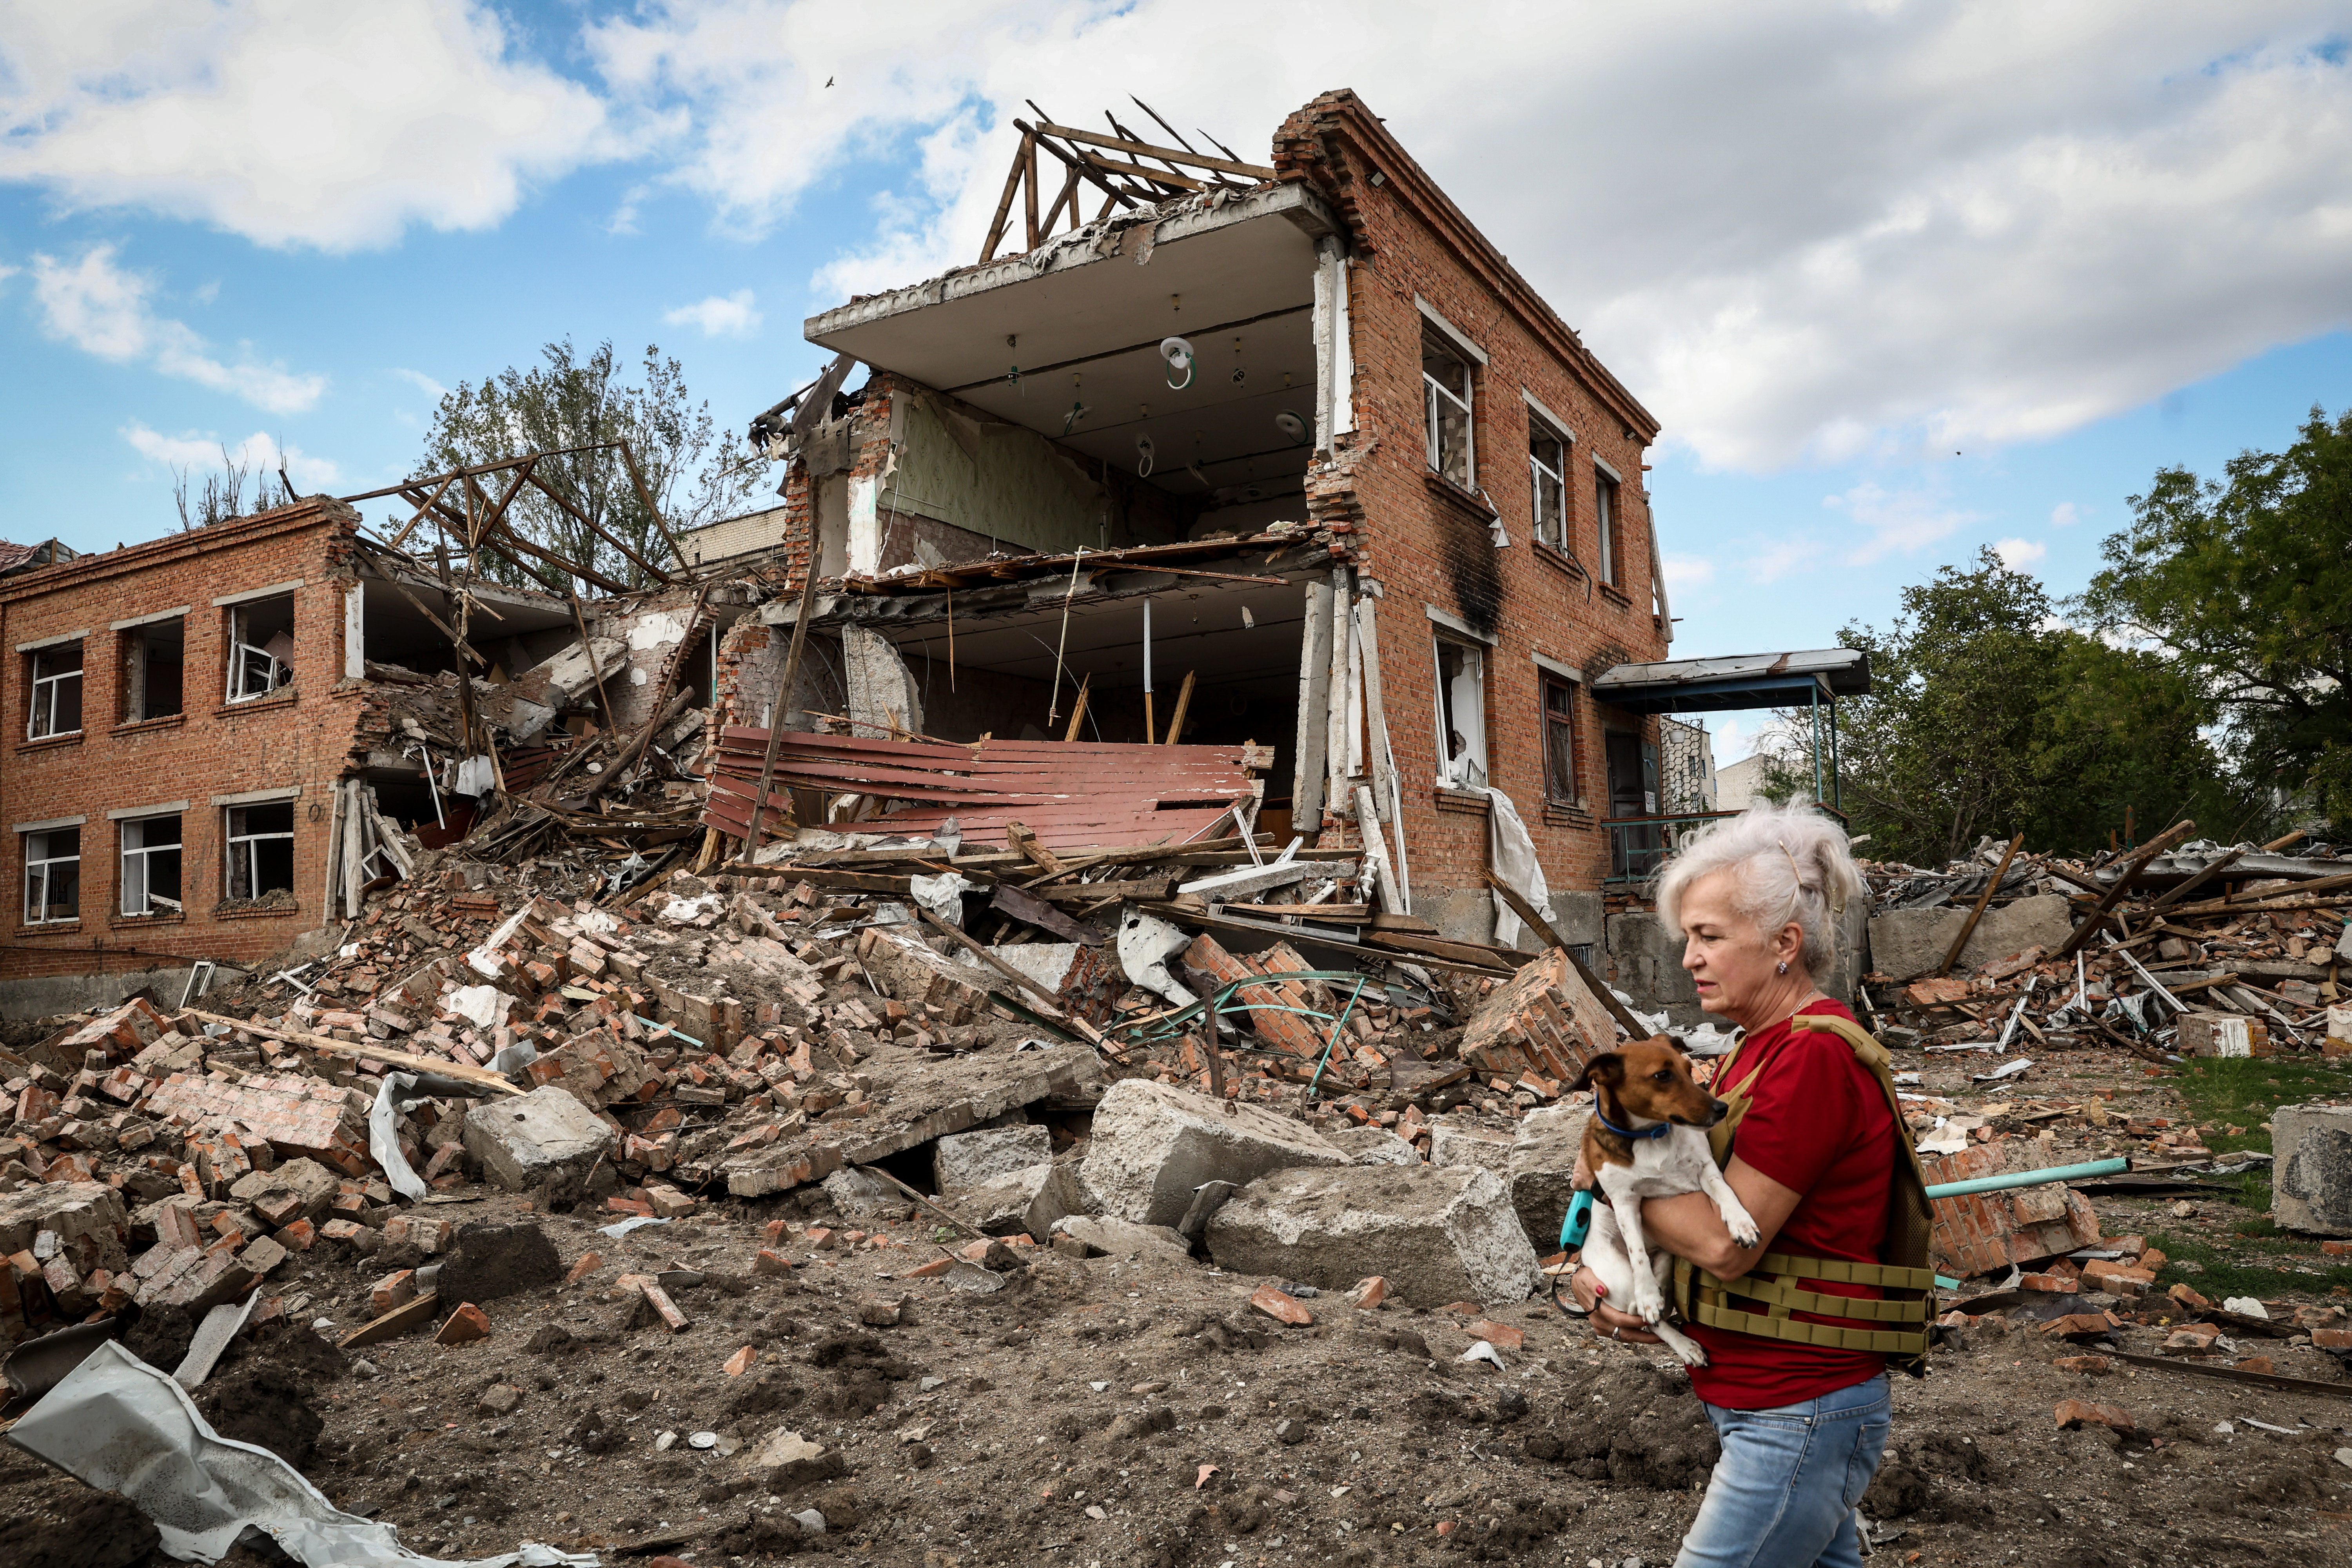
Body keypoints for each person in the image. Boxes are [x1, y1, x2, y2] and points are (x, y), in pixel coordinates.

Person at [1567, 797, 1905, 1568]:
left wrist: (1613, 1175)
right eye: (1688, 935)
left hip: (1800, 1404)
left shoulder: (1812, 1059)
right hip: (1763, 1396)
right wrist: (1598, 1273)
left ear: (1785, 943)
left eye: (1709, 935)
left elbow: (1725, 1242)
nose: (1689, 956)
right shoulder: (1751, 1050)